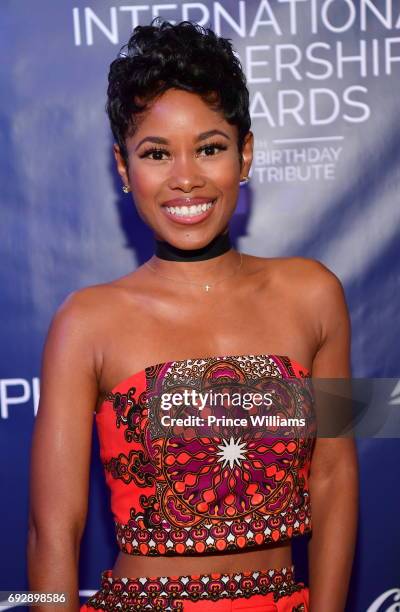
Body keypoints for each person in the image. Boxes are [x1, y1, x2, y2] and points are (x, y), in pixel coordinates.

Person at [27, 18, 359, 612]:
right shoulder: (85, 322)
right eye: (156, 154)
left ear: (245, 153)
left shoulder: (315, 293)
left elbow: (334, 475)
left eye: (209, 147)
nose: (186, 178)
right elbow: (52, 531)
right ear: (125, 169)